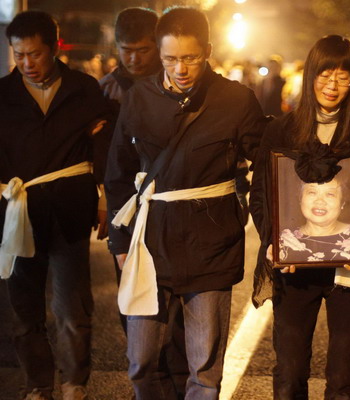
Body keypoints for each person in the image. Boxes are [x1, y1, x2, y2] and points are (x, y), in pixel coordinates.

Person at [104, 6, 268, 400]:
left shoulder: (235, 99)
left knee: (205, 371)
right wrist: (120, 244)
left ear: (208, 51)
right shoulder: (139, 98)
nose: (181, 68)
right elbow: (118, 174)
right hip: (150, 243)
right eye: (170, 59)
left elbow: (266, 163)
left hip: (211, 245)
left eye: (190, 58)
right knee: (141, 362)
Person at [250, 35, 350, 400]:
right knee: (290, 372)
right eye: (326, 74)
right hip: (295, 270)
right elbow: (261, 195)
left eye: (343, 76)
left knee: (344, 376)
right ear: (311, 76)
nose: (333, 84)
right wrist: (273, 242)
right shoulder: (281, 130)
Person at [0, 10, 111, 400]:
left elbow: (101, 146)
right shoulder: (2, 95)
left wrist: (103, 199)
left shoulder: (83, 89)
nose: (27, 63)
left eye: (35, 54)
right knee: (25, 309)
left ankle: (73, 383)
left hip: (69, 211)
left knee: (71, 307)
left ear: (54, 48)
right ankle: (37, 385)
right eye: (19, 55)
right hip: (19, 214)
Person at [99, 7, 189, 399]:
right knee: (136, 312)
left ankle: (177, 384)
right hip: (128, 211)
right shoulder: (105, 91)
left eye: (141, 49)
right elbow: (108, 161)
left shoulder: (175, 85)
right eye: (125, 49)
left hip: (172, 208)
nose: (133, 57)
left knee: (178, 317)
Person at [279, 169, 350, 264]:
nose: (320, 201)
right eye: (312, 192)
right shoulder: (284, 240)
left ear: (342, 203)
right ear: (300, 199)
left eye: (330, 194)